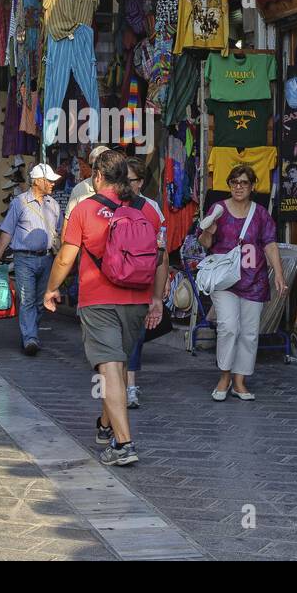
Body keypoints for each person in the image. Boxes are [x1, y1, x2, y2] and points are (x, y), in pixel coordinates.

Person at [43, 150, 167, 466]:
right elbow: (161, 259)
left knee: (110, 367)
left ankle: (124, 445)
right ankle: (105, 424)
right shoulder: (147, 210)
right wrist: (156, 299)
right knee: (119, 366)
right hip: (137, 299)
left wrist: (52, 288)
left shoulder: (86, 209)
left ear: (98, 176)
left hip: (98, 300)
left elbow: (66, 258)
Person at [196, 164, 286, 401]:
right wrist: (209, 231)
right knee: (228, 327)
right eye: (234, 182)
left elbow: (269, 244)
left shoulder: (261, 213)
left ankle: (240, 380)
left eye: (244, 182)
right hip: (225, 280)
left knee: (249, 333)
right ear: (229, 185)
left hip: (254, 279)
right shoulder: (219, 209)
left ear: (252, 186)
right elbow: (205, 243)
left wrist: (278, 273)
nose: (238, 187)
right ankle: (224, 375)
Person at [0, 163, 63, 355]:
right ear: (38, 181)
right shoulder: (19, 203)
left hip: (46, 259)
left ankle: (31, 332)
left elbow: (61, 233)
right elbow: (7, 231)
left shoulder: (53, 205)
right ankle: (30, 338)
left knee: (40, 301)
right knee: (27, 299)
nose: (53, 184)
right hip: (24, 259)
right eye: (49, 181)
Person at [124, 158, 168, 408]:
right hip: (112, 283)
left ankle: (130, 385)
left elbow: (162, 255)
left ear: (140, 182)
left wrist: (157, 297)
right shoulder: (109, 203)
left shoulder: (152, 210)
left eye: (128, 180)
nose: (123, 185)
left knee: (135, 337)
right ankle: (112, 383)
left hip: (141, 284)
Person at [63, 144, 111, 227]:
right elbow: (68, 221)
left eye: (97, 165)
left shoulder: (120, 187)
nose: (94, 169)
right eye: (91, 165)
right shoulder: (79, 189)